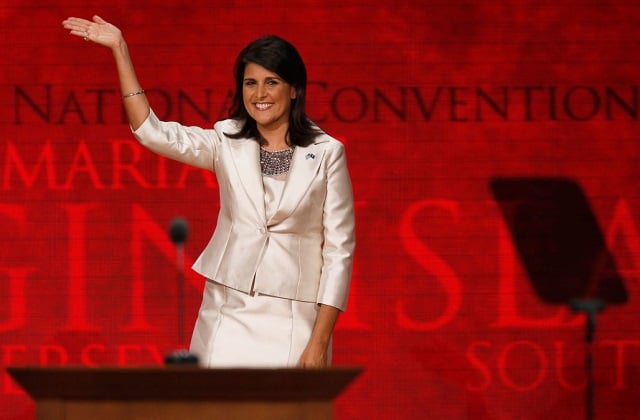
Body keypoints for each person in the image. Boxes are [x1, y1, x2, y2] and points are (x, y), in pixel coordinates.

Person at [62, 15, 355, 368]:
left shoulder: (326, 152)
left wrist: (319, 342)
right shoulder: (227, 141)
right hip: (226, 310)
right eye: (250, 83)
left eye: (271, 82)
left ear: (294, 89)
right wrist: (120, 51)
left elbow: (339, 252)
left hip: (294, 316)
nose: (259, 94)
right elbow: (151, 132)